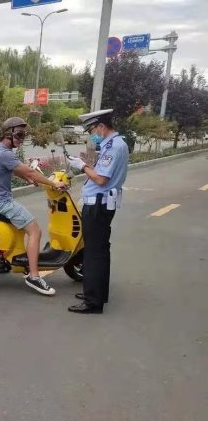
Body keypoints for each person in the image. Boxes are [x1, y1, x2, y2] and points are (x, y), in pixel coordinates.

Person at [0, 117, 68, 296]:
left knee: (19, 229)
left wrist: (27, 178)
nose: (21, 139)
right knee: (35, 231)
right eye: (19, 135)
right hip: (1, 203)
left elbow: (14, 169)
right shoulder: (5, 154)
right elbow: (28, 171)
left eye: (23, 135)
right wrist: (53, 183)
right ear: (8, 134)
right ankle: (34, 276)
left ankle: (12, 260)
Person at [66, 109, 128, 314]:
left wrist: (82, 166)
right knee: (99, 250)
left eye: (92, 130)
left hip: (98, 206)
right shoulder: (114, 144)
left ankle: (93, 302)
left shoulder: (113, 147)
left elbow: (101, 179)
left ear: (101, 126)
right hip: (102, 204)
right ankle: (97, 293)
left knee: (93, 253)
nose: (92, 135)